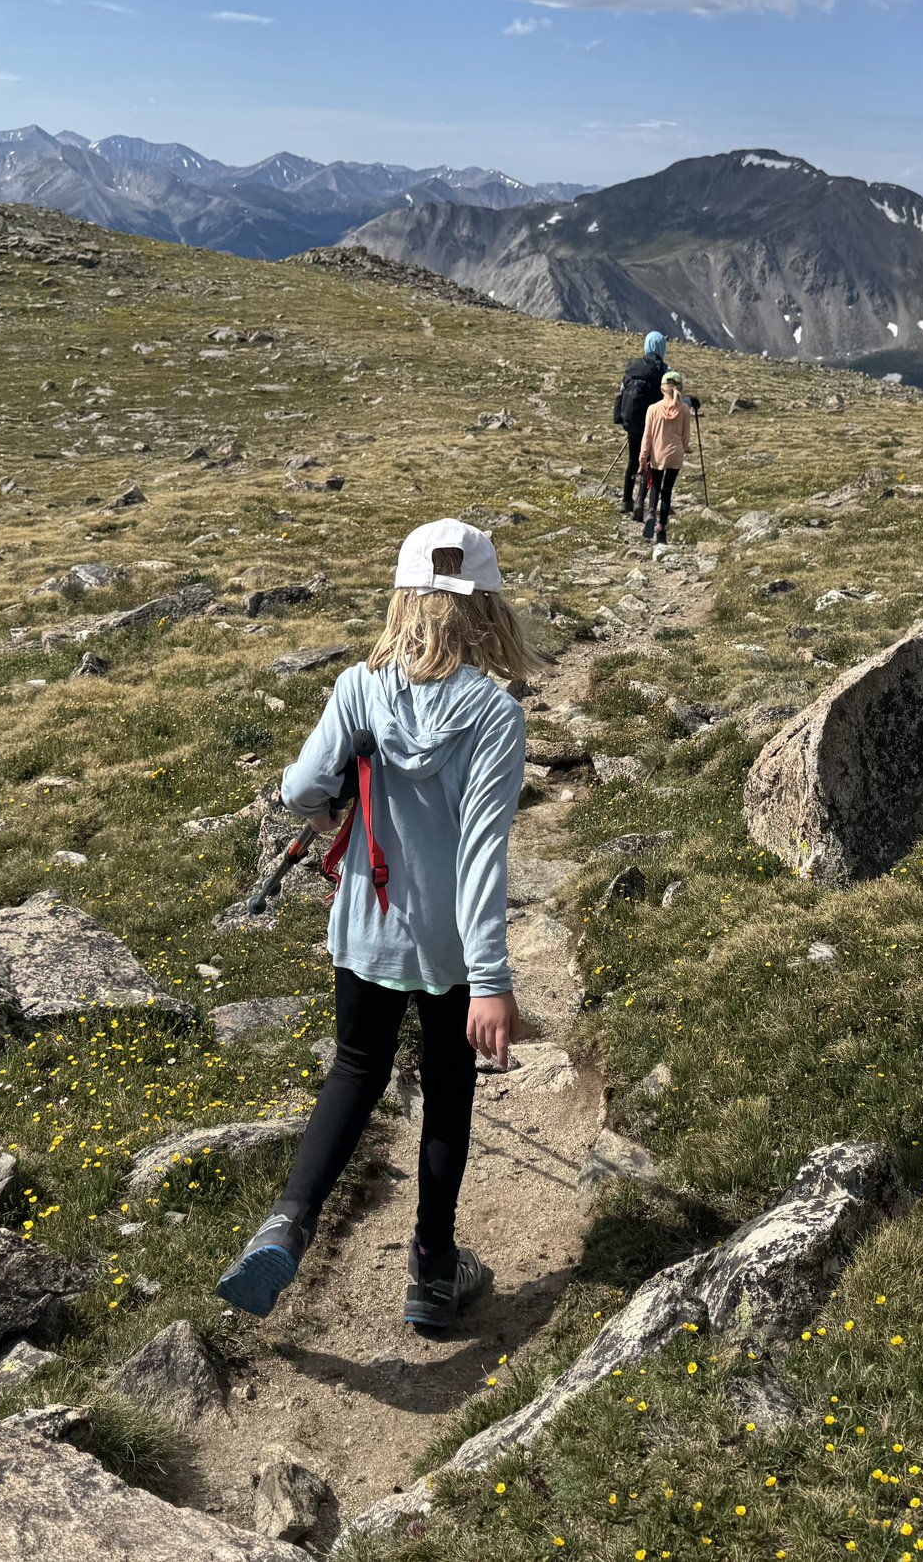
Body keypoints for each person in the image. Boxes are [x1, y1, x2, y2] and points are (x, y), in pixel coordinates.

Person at [215, 518, 534, 1335]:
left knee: (354, 1069)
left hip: (367, 924)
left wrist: (335, 803)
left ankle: (288, 1219)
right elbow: (480, 856)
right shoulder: (493, 714)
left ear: (403, 598)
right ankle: (432, 1266)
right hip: (450, 950)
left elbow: (301, 788)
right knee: (448, 1087)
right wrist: (492, 980)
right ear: (486, 608)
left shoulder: (362, 687)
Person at [637, 370, 698, 546]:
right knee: (667, 490)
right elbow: (686, 437)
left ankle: (650, 514)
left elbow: (647, 437)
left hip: (657, 453)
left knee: (655, 485)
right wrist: (682, 449)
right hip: (675, 454)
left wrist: (643, 459)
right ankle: (661, 530)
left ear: (662, 389)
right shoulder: (685, 410)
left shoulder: (653, 409)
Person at [612, 331, 670, 516]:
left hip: (633, 422)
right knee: (649, 463)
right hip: (653, 425)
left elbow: (622, 392)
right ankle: (639, 501)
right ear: (661, 347)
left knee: (632, 460)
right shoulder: (664, 371)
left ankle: (626, 500)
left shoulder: (632, 368)